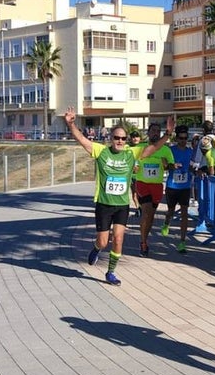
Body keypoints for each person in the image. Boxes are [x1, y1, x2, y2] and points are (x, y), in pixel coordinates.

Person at [65, 108, 173, 286]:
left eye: (123, 138)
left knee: (119, 238)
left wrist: (168, 133)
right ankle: (97, 248)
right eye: (116, 138)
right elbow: (82, 140)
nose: (120, 141)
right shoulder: (101, 151)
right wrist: (70, 123)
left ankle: (111, 272)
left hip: (122, 205)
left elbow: (154, 147)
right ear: (111, 139)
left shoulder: (132, 153)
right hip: (104, 204)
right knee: (103, 240)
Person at [131, 122, 175, 257]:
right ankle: (143, 242)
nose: (156, 133)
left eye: (158, 131)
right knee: (146, 212)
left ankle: (145, 238)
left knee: (150, 216)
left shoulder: (166, 150)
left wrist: (167, 165)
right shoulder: (140, 148)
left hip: (157, 185)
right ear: (148, 133)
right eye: (153, 131)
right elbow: (132, 163)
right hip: (142, 183)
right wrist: (135, 168)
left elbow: (171, 167)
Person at [161, 125, 196, 253]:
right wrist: (172, 165)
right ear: (177, 138)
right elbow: (164, 165)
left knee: (184, 214)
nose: (183, 140)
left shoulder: (190, 151)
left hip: (185, 187)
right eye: (181, 138)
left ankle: (182, 242)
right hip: (172, 186)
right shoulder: (171, 150)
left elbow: (193, 165)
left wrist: (197, 171)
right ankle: (166, 223)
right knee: (170, 211)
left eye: (185, 138)